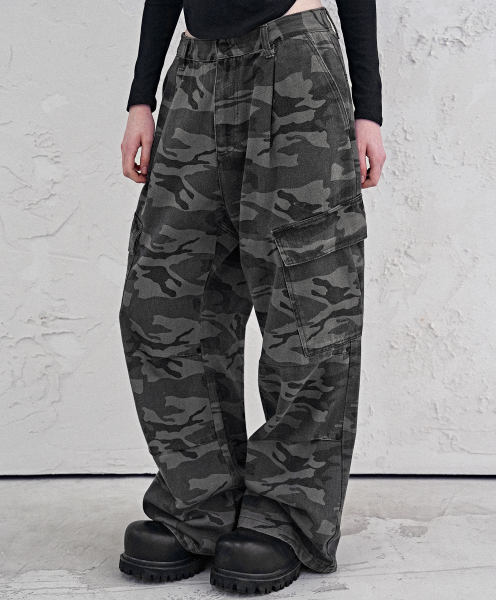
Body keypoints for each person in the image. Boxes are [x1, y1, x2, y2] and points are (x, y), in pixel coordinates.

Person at [118, 0, 386, 594]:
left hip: (295, 61)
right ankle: (199, 503)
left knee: (307, 304)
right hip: (196, 71)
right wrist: (141, 98)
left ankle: (286, 516)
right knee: (165, 297)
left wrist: (368, 111)